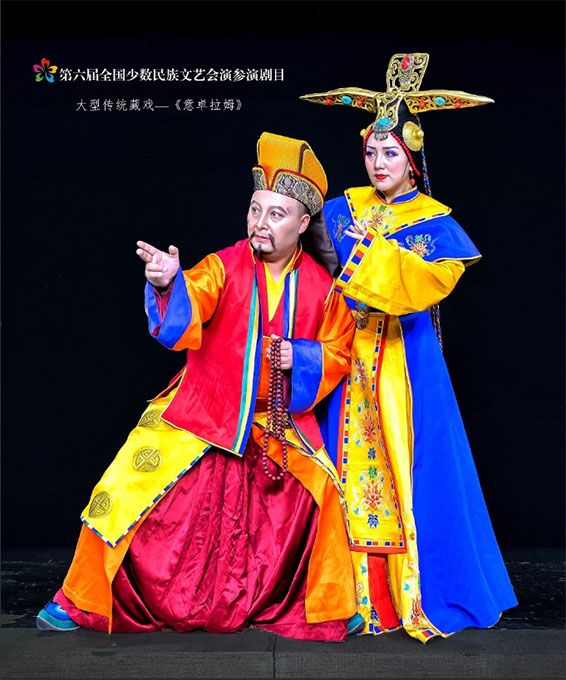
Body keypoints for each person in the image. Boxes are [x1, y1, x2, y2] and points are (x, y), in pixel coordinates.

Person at [36, 131, 362, 641]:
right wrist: (168, 282)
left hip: (277, 420)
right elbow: (192, 298)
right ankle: (78, 598)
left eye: (276, 214)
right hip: (202, 406)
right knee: (123, 485)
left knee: (326, 490)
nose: (260, 223)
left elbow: (339, 353)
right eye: (255, 210)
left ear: (302, 224)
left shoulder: (325, 290)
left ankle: (330, 607)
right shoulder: (224, 265)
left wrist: (299, 358)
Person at [301, 53, 518, 642]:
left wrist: (370, 253)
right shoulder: (342, 209)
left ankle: (408, 593)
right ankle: (345, 595)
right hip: (345, 357)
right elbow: (315, 270)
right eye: (371, 151)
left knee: (414, 472)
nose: (378, 164)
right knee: (336, 469)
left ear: (412, 158)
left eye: (390, 153)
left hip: (405, 364)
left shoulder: (435, 224)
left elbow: (423, 286)